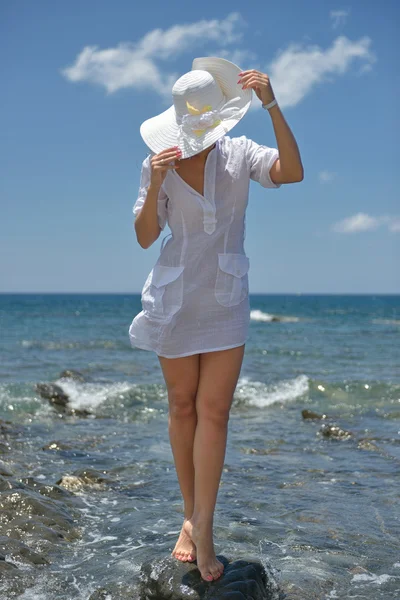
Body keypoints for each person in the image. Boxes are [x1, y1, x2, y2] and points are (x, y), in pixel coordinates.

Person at [129, 56, 303, 583]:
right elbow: (143, 236)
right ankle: (190, 515)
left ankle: (204, 525)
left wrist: (272, 106)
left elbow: (291, 172)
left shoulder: (240, 152)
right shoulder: (157, 160)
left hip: (226, 299)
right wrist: (156, 180)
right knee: (182, 407)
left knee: (216, 412)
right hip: (175, 299)